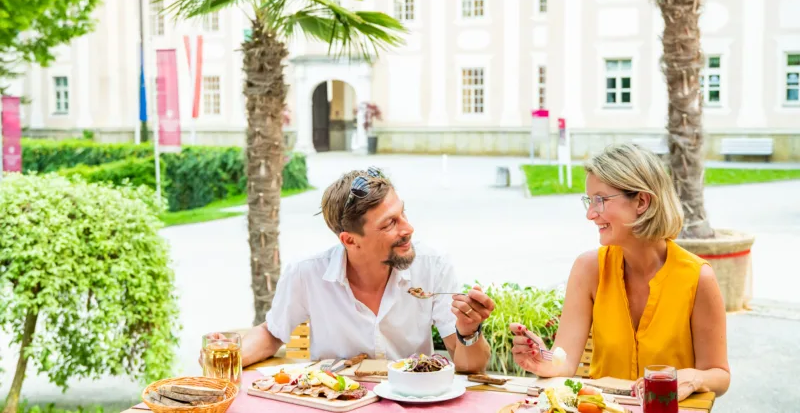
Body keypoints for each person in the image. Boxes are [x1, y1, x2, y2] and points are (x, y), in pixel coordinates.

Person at [510, 143, 730, 401]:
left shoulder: (697, 277)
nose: (591, 214)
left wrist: (694, 377)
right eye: (589, 202)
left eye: (600, 200)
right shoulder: (588, 269)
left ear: (642, 201)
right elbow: (564, 362)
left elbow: (720, 375)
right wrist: (544, 360)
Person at [227, 167, 494, 373]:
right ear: (350, 240)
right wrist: (229, 357)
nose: (408, 229)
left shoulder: (433, 266)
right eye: (389, 224)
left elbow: (471, 367)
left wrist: (469, 331)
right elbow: (272, 334)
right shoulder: (306, 274)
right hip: (334, 402)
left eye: (403, 214)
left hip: (412, 401)